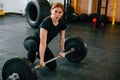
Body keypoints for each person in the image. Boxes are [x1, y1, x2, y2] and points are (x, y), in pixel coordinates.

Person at [24, 2, 67, 70]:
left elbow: (62, 38)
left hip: (42, 46)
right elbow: (42, 42)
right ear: (51, 11)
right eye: (55, 11)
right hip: (32, 41)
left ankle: (38, 53)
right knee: (33, 46)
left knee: (53, 66)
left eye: (60, 12)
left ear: (62, 13)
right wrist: (41, 59)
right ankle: (28, 67)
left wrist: (62, 51)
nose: (57, 14)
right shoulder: (46, 23)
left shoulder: (62, 24)